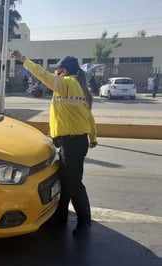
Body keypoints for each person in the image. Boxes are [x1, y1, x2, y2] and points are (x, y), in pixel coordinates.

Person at [11, 50, 97, 237]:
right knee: (65, 181)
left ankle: (85, 222)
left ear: (63, 71)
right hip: (73, 141)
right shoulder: (80, 87)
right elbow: (88, 117)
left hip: (72, 143)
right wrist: (93, 138)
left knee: (74, 184)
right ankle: (61, 216)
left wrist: (23, 60)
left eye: (57, 70)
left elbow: (42, 74)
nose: (55, 73)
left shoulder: (67, 84)